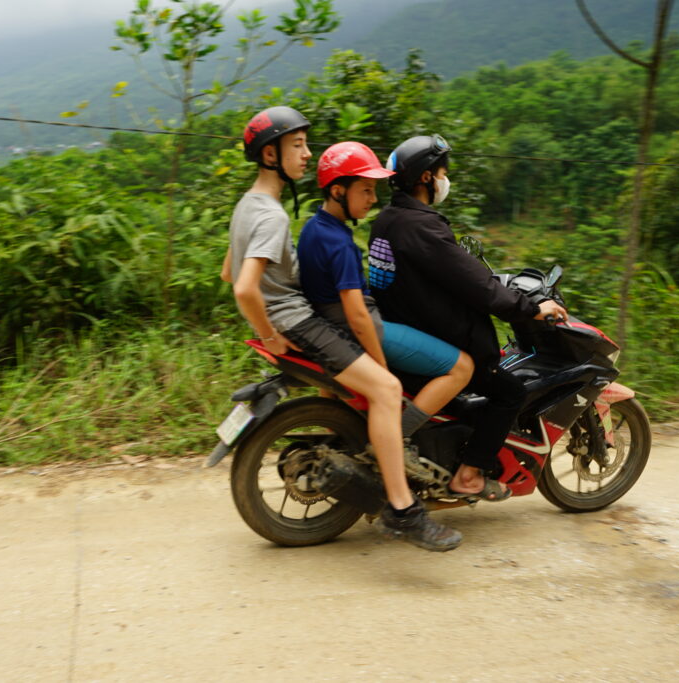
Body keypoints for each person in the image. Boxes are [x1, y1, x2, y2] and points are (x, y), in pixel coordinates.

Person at [220, 109, 461, 551]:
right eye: (297, 145)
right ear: (270, 155)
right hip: (298, 321)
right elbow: (243, 286)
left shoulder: (247, 206)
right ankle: (403, 510)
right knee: (388, 389)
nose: (305, 154)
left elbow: (226, 270)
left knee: (375, 388)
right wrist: (270, 331)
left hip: (294, 317)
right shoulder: (273, 217)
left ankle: (365, 462)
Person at [369, 134, 568, 501]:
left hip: (405, 324)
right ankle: (469, 475)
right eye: (443, 172)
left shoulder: (387, 220)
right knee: (509, 392)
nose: (445, 179)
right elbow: (479, 287)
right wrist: (531, 309)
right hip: (433, 336)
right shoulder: (423, 227)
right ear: (426, 177)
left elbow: (448, 275)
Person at [296, 141, 474, 445]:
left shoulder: (314, 227)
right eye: (366, 190)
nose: (373, 199)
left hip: (329, 326)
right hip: (364, 329)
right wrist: (381, 369)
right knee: (462, 367)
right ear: (338, 191)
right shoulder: (340, 244)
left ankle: (338, 439)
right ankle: (396, 438)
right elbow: (358, 316)